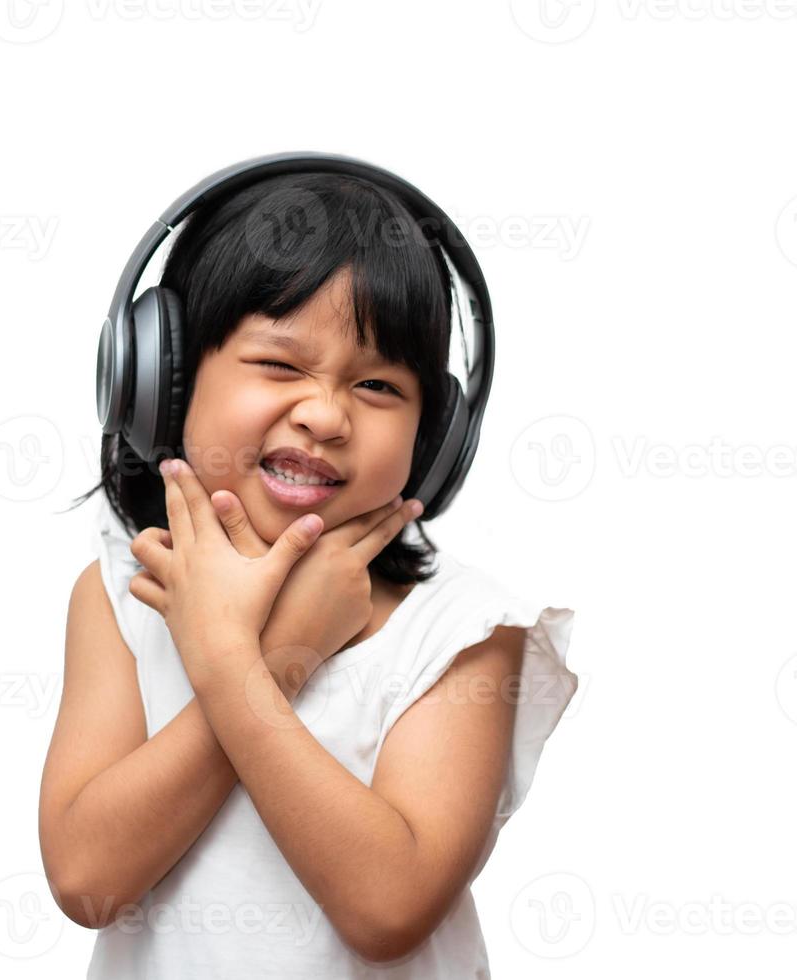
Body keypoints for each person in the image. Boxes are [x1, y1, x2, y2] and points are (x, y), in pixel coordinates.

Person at [39, 166, 578, 977]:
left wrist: (231, 664)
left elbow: (389, 907)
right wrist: (280, 648)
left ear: (435, 439)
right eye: (282, 366)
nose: (325, 415)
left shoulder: (463, 631)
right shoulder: (126, 596)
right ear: (161, 382)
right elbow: (87, 880)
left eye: (377, 385)